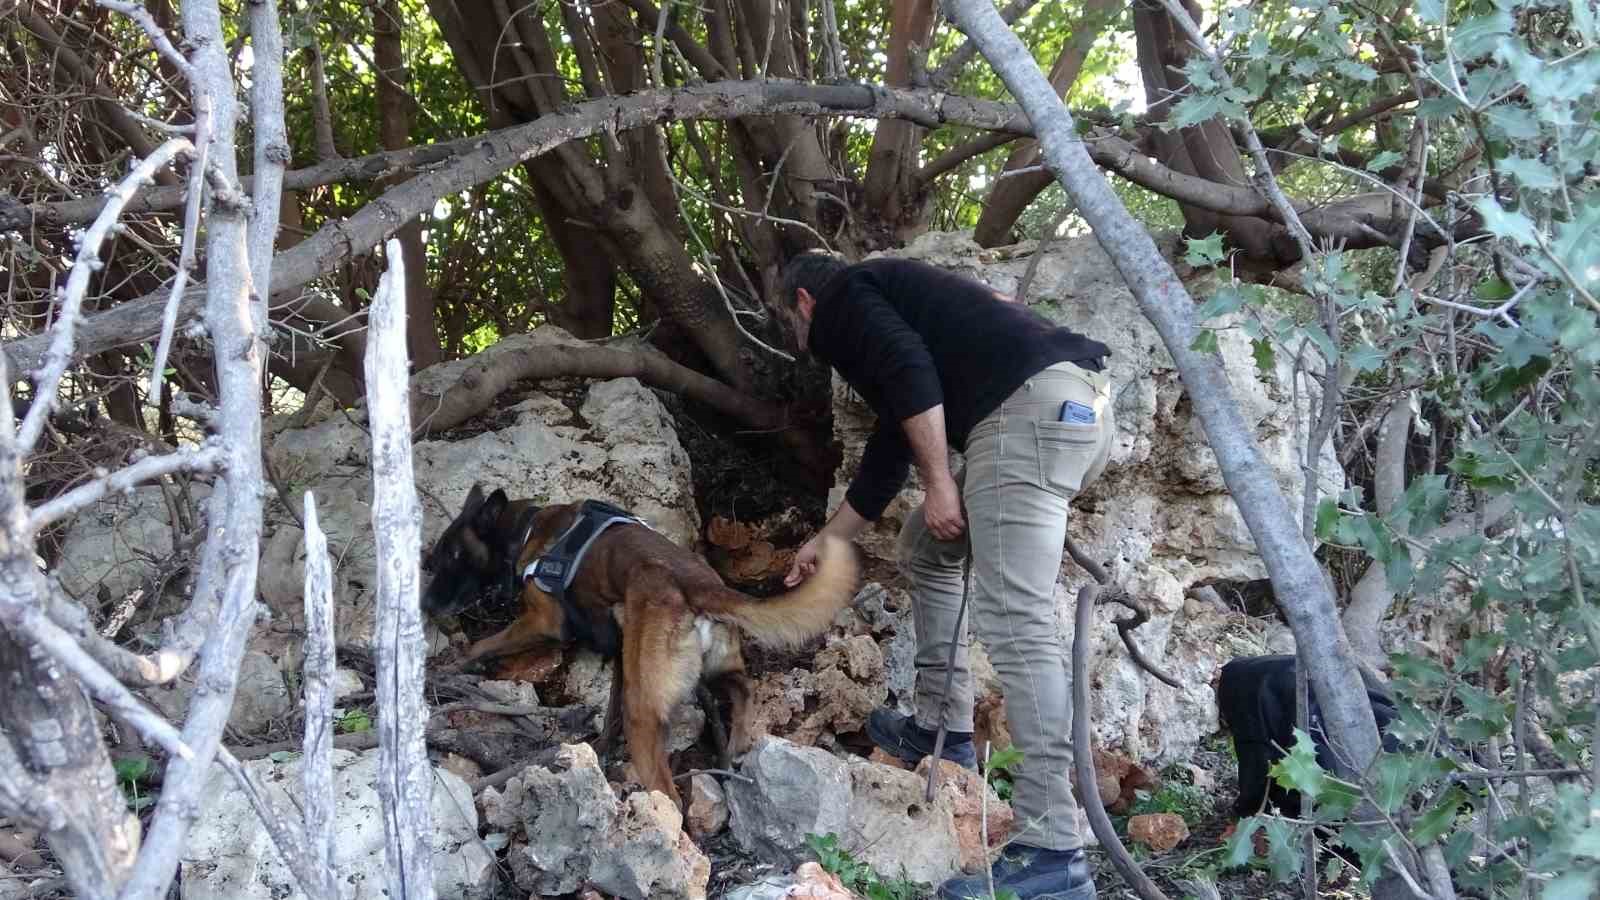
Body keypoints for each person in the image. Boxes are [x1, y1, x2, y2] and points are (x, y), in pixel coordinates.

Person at [775, 250, 1115, 900]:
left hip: (1030, 417)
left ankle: (1055, 850)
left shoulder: (844, 297)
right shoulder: (898, 298)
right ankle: (946, 729)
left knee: (1016, 621)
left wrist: (939, 484)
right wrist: (829, 539)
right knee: (925, 552)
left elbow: (910, 375)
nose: (799, 340)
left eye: (791, 325)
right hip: (1077, 410)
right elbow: (895, 438)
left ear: (804, 303)